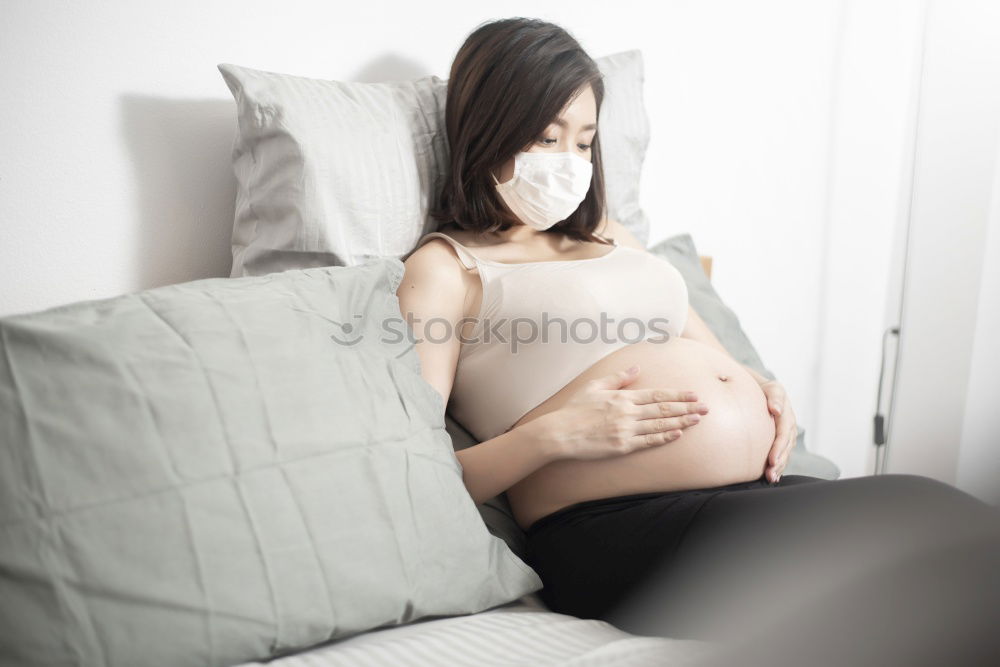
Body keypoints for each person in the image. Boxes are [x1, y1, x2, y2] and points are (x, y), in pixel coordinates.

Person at [397, 17, 1000, 662]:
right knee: (937, 536)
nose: (570, 163)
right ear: (489, 128)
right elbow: (419, 472)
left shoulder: (606, 233)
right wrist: (554, 435)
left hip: (737, 499)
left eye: (584, 142)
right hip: (616, 529)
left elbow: (715, 357)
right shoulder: (447, 268)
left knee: (960, 536)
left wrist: (763, 392)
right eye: (547, 138)